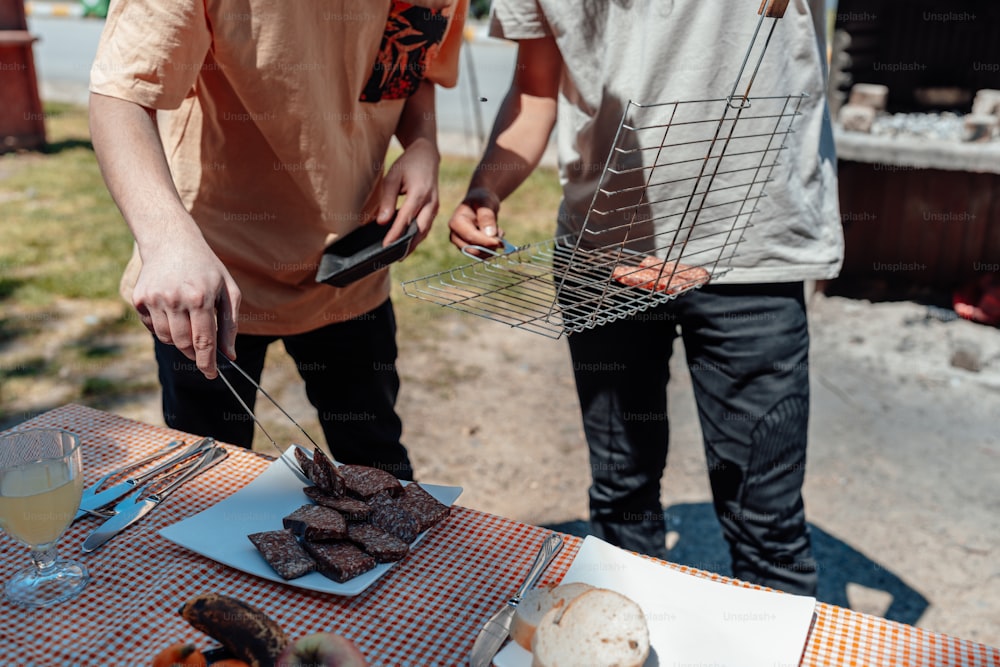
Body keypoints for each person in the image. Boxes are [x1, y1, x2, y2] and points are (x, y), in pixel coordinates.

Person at [447, 0, 843, 595]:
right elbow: (535, 93)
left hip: (752, 255)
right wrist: (486, 186)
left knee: (766, 524)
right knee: (620, 495)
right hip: (603, 253)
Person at [89, 0, 466, 480]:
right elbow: (119, 96)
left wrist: (422, 144)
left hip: (351, 268)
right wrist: (165, 240)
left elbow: (413, 70)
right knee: (205, 480)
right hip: (210, 277)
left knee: (379, 465)